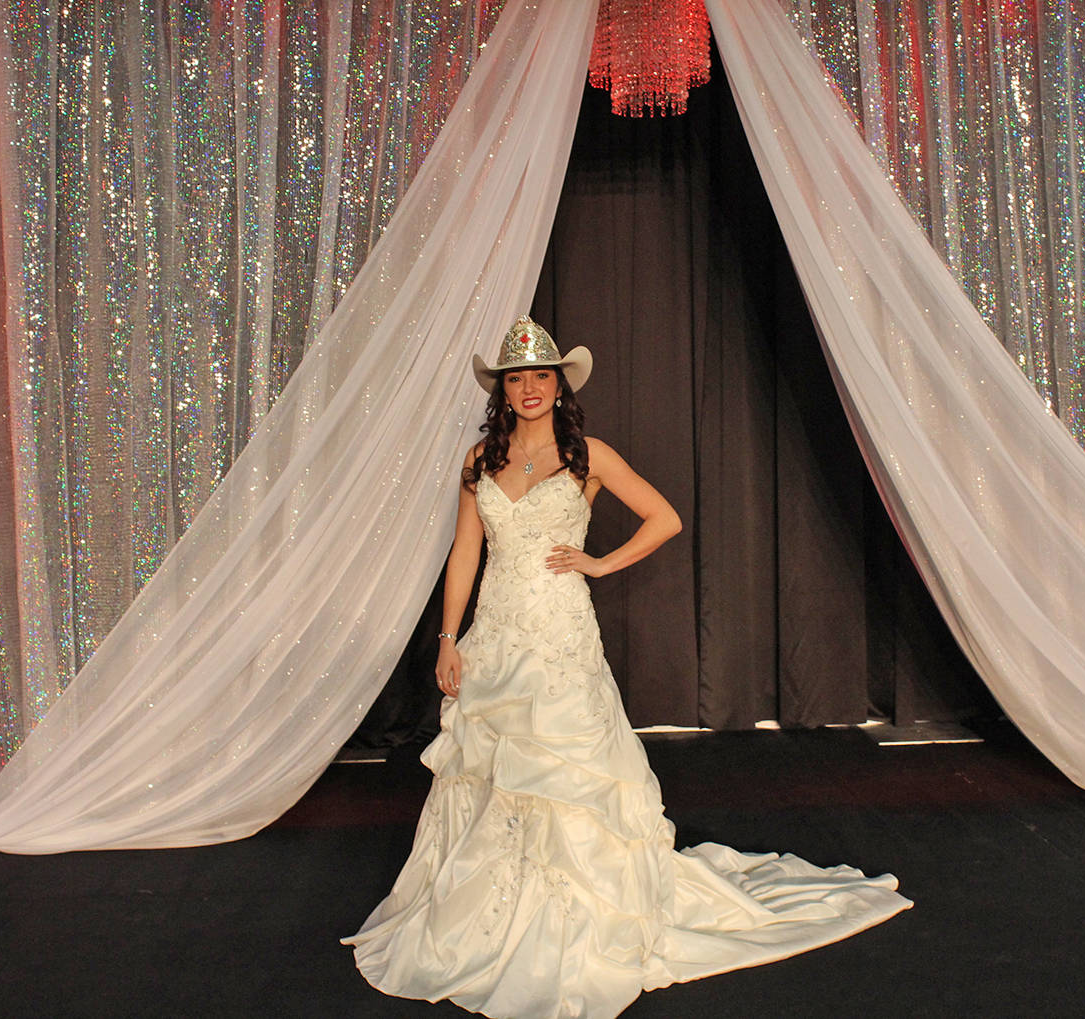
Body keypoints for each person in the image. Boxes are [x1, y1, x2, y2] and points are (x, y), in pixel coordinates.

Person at [343, 316, 911, 1018]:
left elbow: (664, 517)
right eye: (516, 378)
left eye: (539, 377)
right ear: (502, 388)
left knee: (568, 768)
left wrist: (601, 563)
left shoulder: (588, 456)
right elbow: (465, 553)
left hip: (560, 637)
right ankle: (489, 911)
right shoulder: (478, 460)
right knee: (492, 773)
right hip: (495, 638)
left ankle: (573, 913)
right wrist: (448, 637)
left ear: (558, 385)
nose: (528, 389)